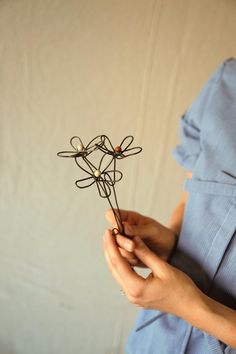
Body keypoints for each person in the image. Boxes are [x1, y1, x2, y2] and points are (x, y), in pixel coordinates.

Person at [103, 58, 236, 353]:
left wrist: (195, 310)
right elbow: (190, 200)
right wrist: (168, 241)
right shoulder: (228, 84)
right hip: (154, 342)